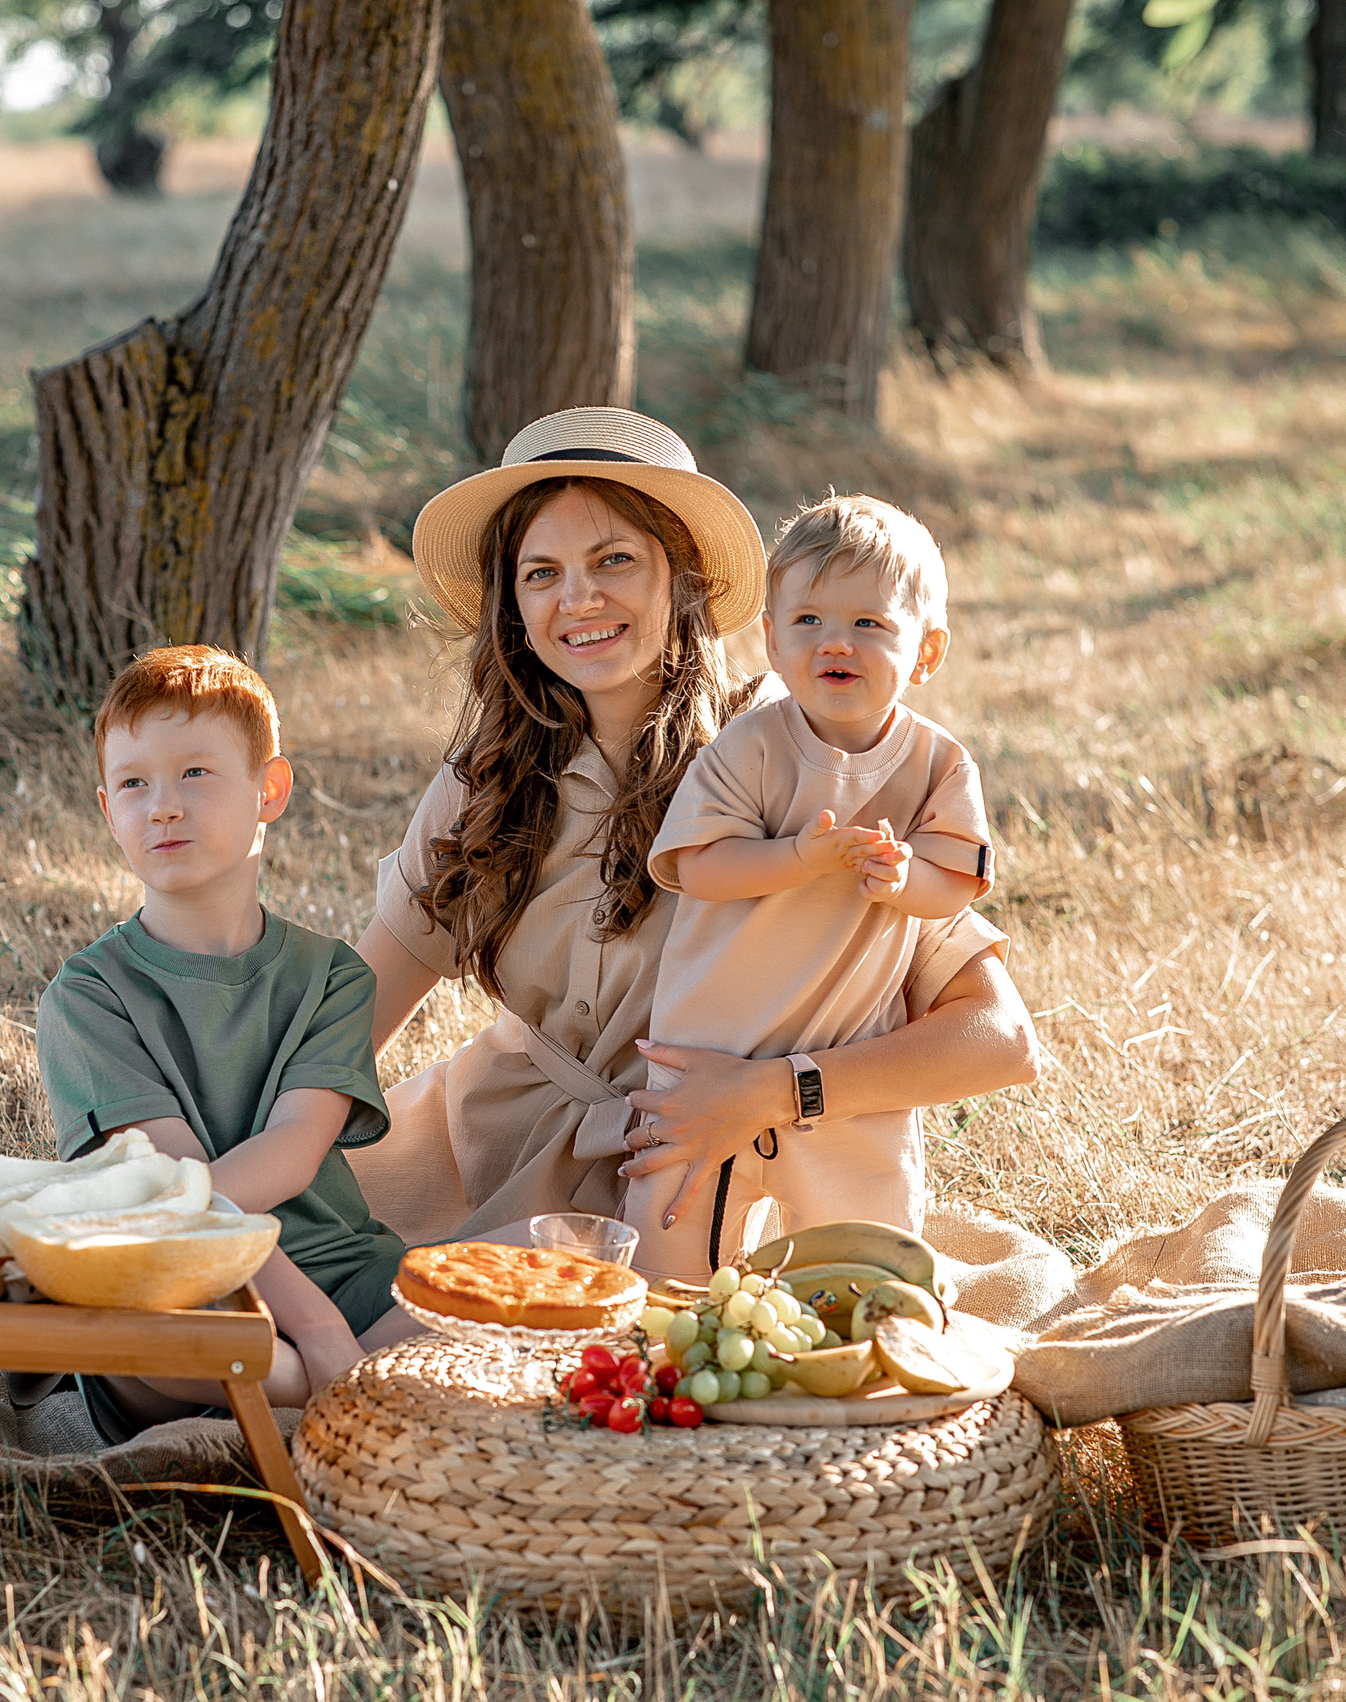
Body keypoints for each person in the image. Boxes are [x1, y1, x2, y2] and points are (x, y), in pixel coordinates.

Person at [345, 408, 1040, 1268]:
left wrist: (776, 1091)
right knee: (233, 1304)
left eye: (615, 560)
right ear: (512, 604)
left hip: (683, 1183)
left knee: (412, 1347)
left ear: (685, 577)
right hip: (476, 1146)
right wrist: (209, 1148)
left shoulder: (796, 763)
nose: (578, 598)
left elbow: (999, 1036)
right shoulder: (484, 780)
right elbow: (349, 1021)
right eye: (541, 572)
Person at [36, 645, 416, 1444]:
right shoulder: (88, 996)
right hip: (181, 1282)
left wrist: (323, 1310)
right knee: (150, 1334)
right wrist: (313, 1328)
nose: (162, 807)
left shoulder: (332, 977)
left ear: (269, 789)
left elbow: (289, 1156)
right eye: (134, 783)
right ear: (109, 810)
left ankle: (294, 1388)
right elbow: (175, 1197)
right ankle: (346, 1385)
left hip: (342, 1270)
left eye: (195, 774)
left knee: (532, 1263)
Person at [629, 495, 990, 1276]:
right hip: (707, 1060)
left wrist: (905, 878)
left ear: (926, 653)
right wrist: (800, 857)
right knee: (670, 1275)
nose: (837, 642)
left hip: (848, 1070)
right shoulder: (750, 746)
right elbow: (699, 865)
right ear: (771, 639)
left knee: (863, 1276)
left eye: (870, 624)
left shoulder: (938, 763)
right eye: (810, 621)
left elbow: (954, 885)